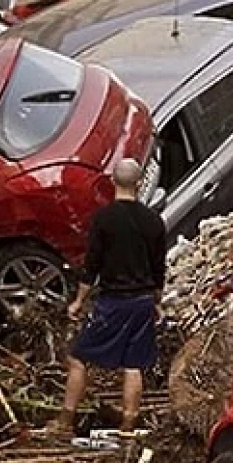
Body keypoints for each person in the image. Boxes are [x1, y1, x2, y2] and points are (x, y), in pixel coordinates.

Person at [52, 158, 167, 437]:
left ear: (113, 182)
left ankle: (65, 421)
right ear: (139, 184)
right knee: (134, 364)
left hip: (113, 302)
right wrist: (157, 302)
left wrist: (79, 301)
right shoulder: (154, 221)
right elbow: (158, 267)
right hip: (141, 302)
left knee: (80, 357)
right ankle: (128, 424)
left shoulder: (104, 219)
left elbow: (91, 266)